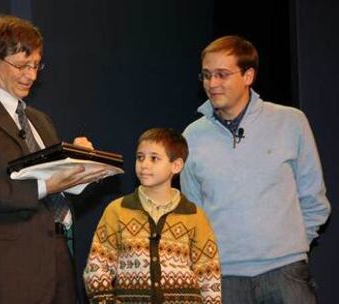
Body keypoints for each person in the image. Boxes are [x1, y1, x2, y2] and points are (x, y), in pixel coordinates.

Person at [0, 15, 107, 304]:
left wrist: (80, 168)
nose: (31, 75)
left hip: (57, 266)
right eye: (21, 65)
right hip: (7, 273)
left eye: (35, 66)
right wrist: (44, 186)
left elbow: (56, 191)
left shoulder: (39, 120)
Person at [180, 35, 331, 303]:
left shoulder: (291, 122)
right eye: (206, 75)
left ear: (248, 75)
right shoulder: (191, 137)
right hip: (224, 277)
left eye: (222, 74)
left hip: (286, 273)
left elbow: (314, 200)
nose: (212, 83)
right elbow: (194, 214)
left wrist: (292, 249)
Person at [83, 128, 222, 303]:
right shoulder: (117, 210)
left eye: (154, 158)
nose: (144, 164)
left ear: (176, 165)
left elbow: (209, 275)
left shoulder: (195, 215)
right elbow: (97, 267)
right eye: (140, 157)